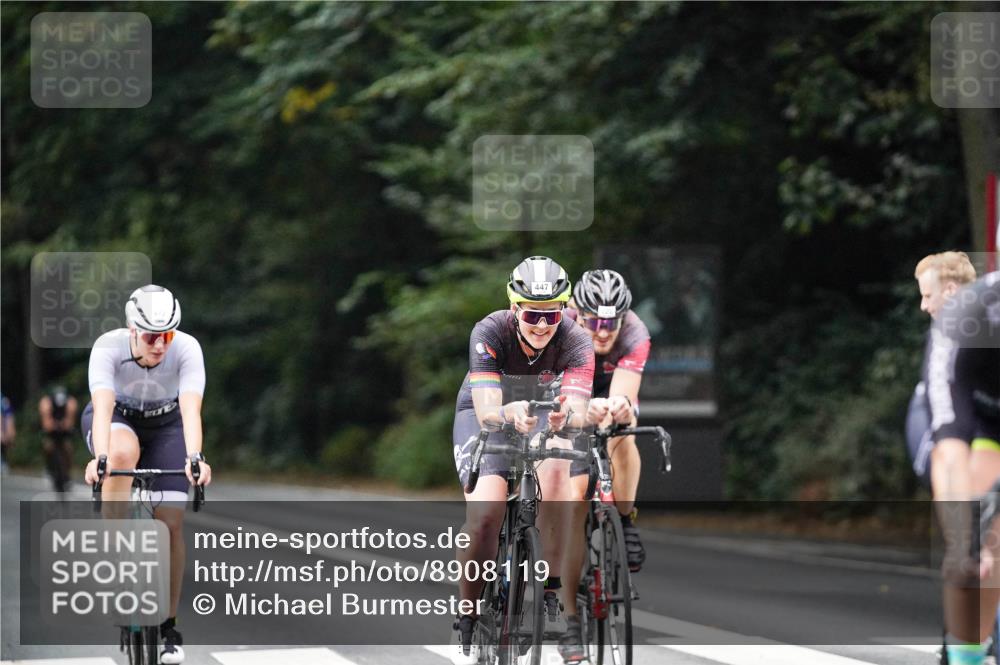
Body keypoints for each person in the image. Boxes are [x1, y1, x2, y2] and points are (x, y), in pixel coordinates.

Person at [450, 256, 594, 665]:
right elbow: (486, 406)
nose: (543, 325)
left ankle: (547, 579)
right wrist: (506, 414)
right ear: (515, 308)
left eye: (552, 314)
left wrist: (569, 415)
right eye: (533, 314)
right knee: (486, 515)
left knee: (558, 469)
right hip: (488, 411)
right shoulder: (490, 330)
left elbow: (579, 405)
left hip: (543, 410)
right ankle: (469, 606)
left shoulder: (576, 338)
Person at [82, 285, 211, 665]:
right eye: (153, 336)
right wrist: (101, 458)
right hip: (118, 421)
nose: (161, 345)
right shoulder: (108, 348)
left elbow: (190, 409)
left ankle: (169, 626)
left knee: (171, 525)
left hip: (168, 425)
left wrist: (195, 457)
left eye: (168, 334)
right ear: (131, 328)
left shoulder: (186, 349)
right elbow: (103, 407)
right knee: (123, 454)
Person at [559, 269, 651, 663]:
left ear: (623, 317)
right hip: (570, 393)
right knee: (574, 502)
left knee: (623, 431)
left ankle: (625, 521)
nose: (601, 332)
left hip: (609, 390)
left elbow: (626, 398)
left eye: (610, 323)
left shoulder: (635, 333)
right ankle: (570, 621)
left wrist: (618, 408)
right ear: (579, 313)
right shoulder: (562, 328)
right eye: (594, 321)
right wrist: (579, 411)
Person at [928, 272, 1000, 665]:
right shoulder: (967, 314)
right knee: (983, 536)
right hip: (978, 425)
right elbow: (951, 450)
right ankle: (967, 651)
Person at [909, 252, 978, 490]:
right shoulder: (942, 339)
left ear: (950, 290)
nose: (923, 306)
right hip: (944, 412)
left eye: (928, 296)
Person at [39, 385, 78, 495]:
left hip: (64, 429)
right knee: (48, 446)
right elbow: (46, 423)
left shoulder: (71, 403)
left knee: (68, 448)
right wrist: (53, 425)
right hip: (51, 429)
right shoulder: (46, 403)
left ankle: (68, 473)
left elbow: (70, 422)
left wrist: (65, 425)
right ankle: (48, 468)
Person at [1, 393, 15, 474]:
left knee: (6, 440)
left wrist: (10, 431)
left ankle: (3, 461)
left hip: (4, 425)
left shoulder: (3, 400)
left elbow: (9, 416)